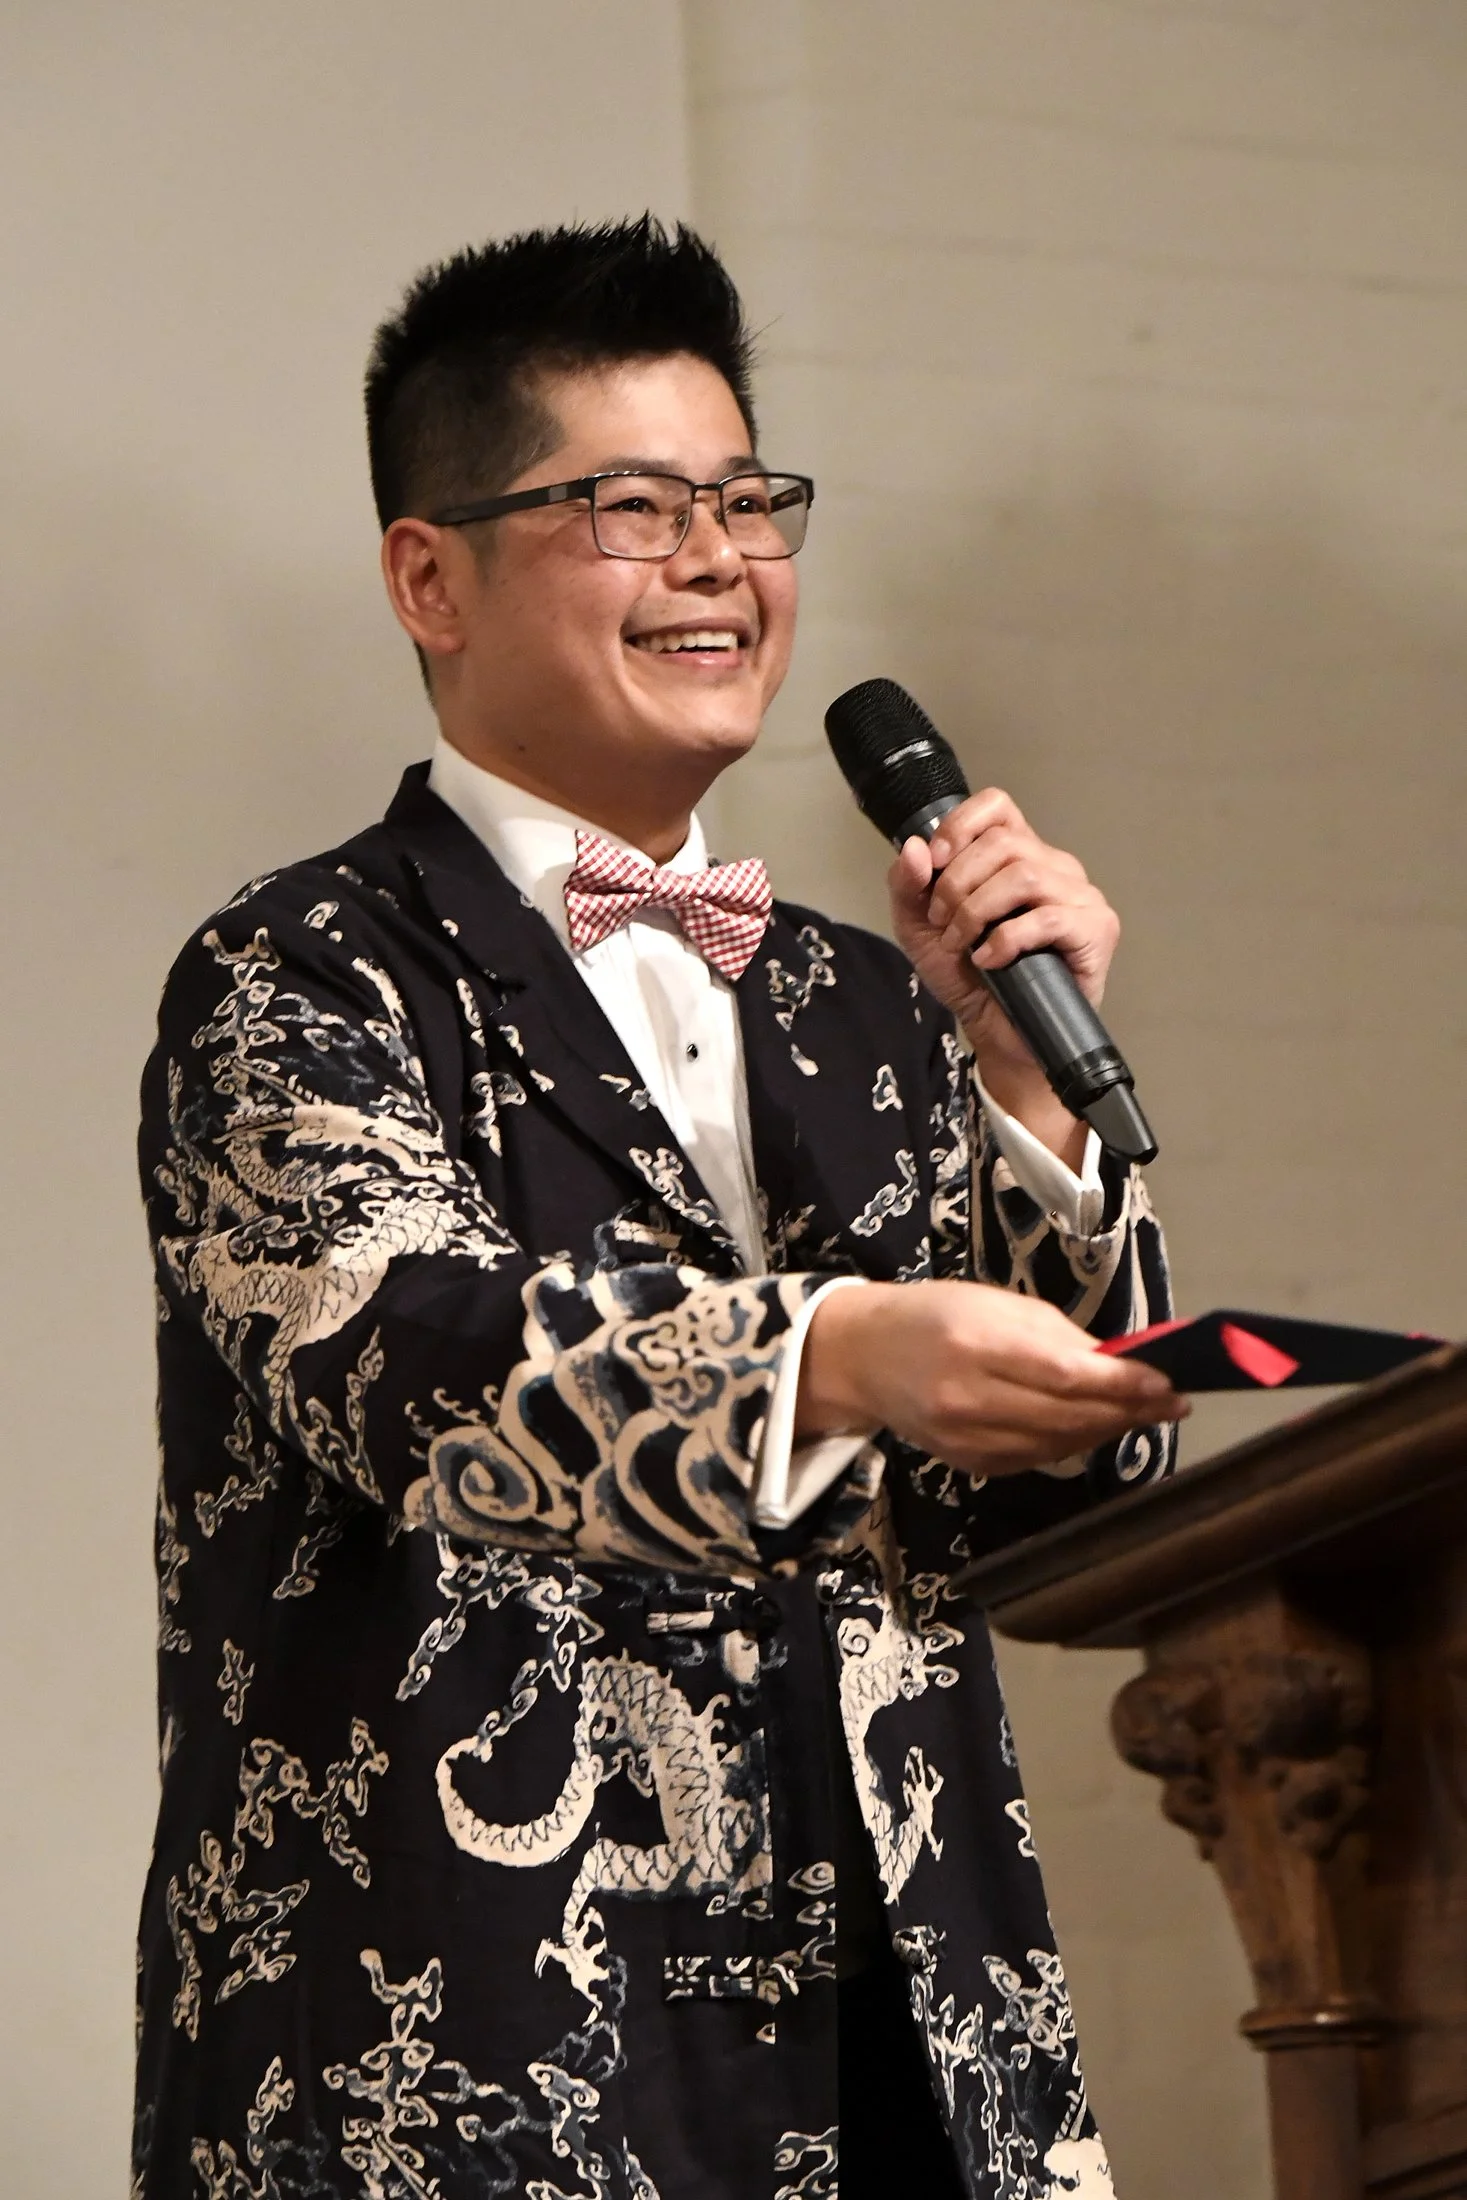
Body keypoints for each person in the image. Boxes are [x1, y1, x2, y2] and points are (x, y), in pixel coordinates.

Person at [133, 217, 1185, 2200]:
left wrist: (1033, 1097)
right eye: (632, 508)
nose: (718, 560)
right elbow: (412, 1366)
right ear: (427, 577)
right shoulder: (299, 972)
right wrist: (841, 1351)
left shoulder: (869, 1003)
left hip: (904, 2052)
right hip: (462, 2051)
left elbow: (1053, 1510)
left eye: (746, 502)